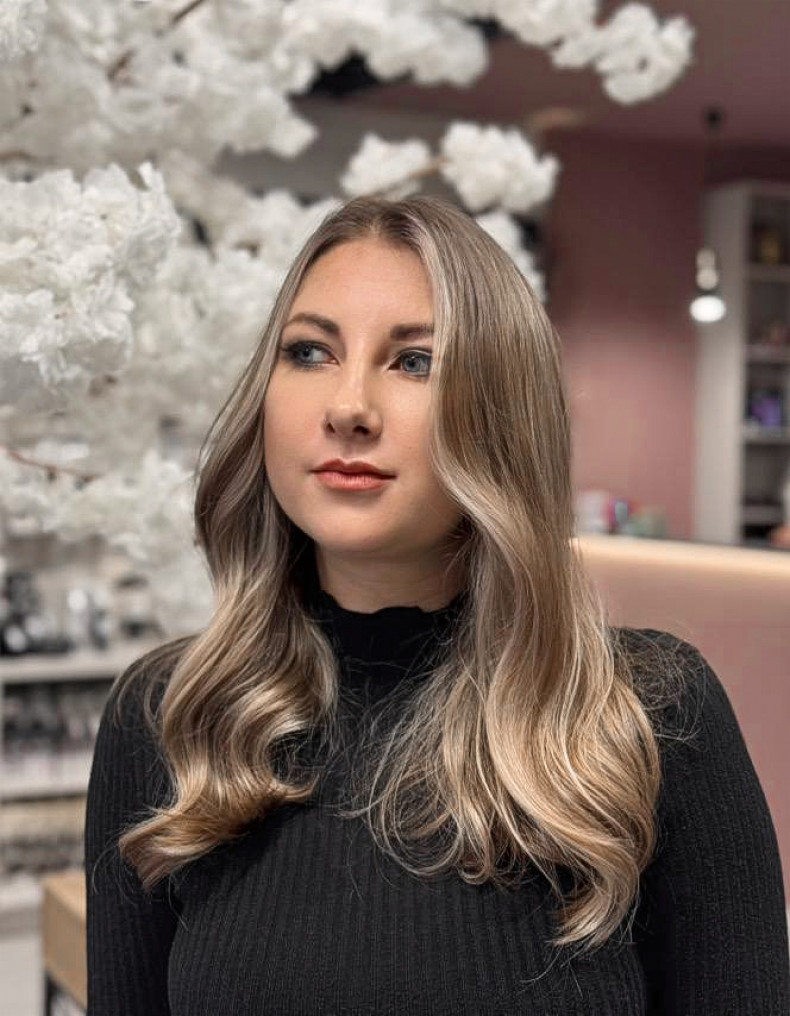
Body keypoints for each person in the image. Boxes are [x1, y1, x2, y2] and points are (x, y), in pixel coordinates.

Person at [84, 195, 790, 1015]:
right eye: (310, 352)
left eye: (414, 362)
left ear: (503, 413)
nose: (348, 407)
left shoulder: (652, 715)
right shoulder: (171, 719)